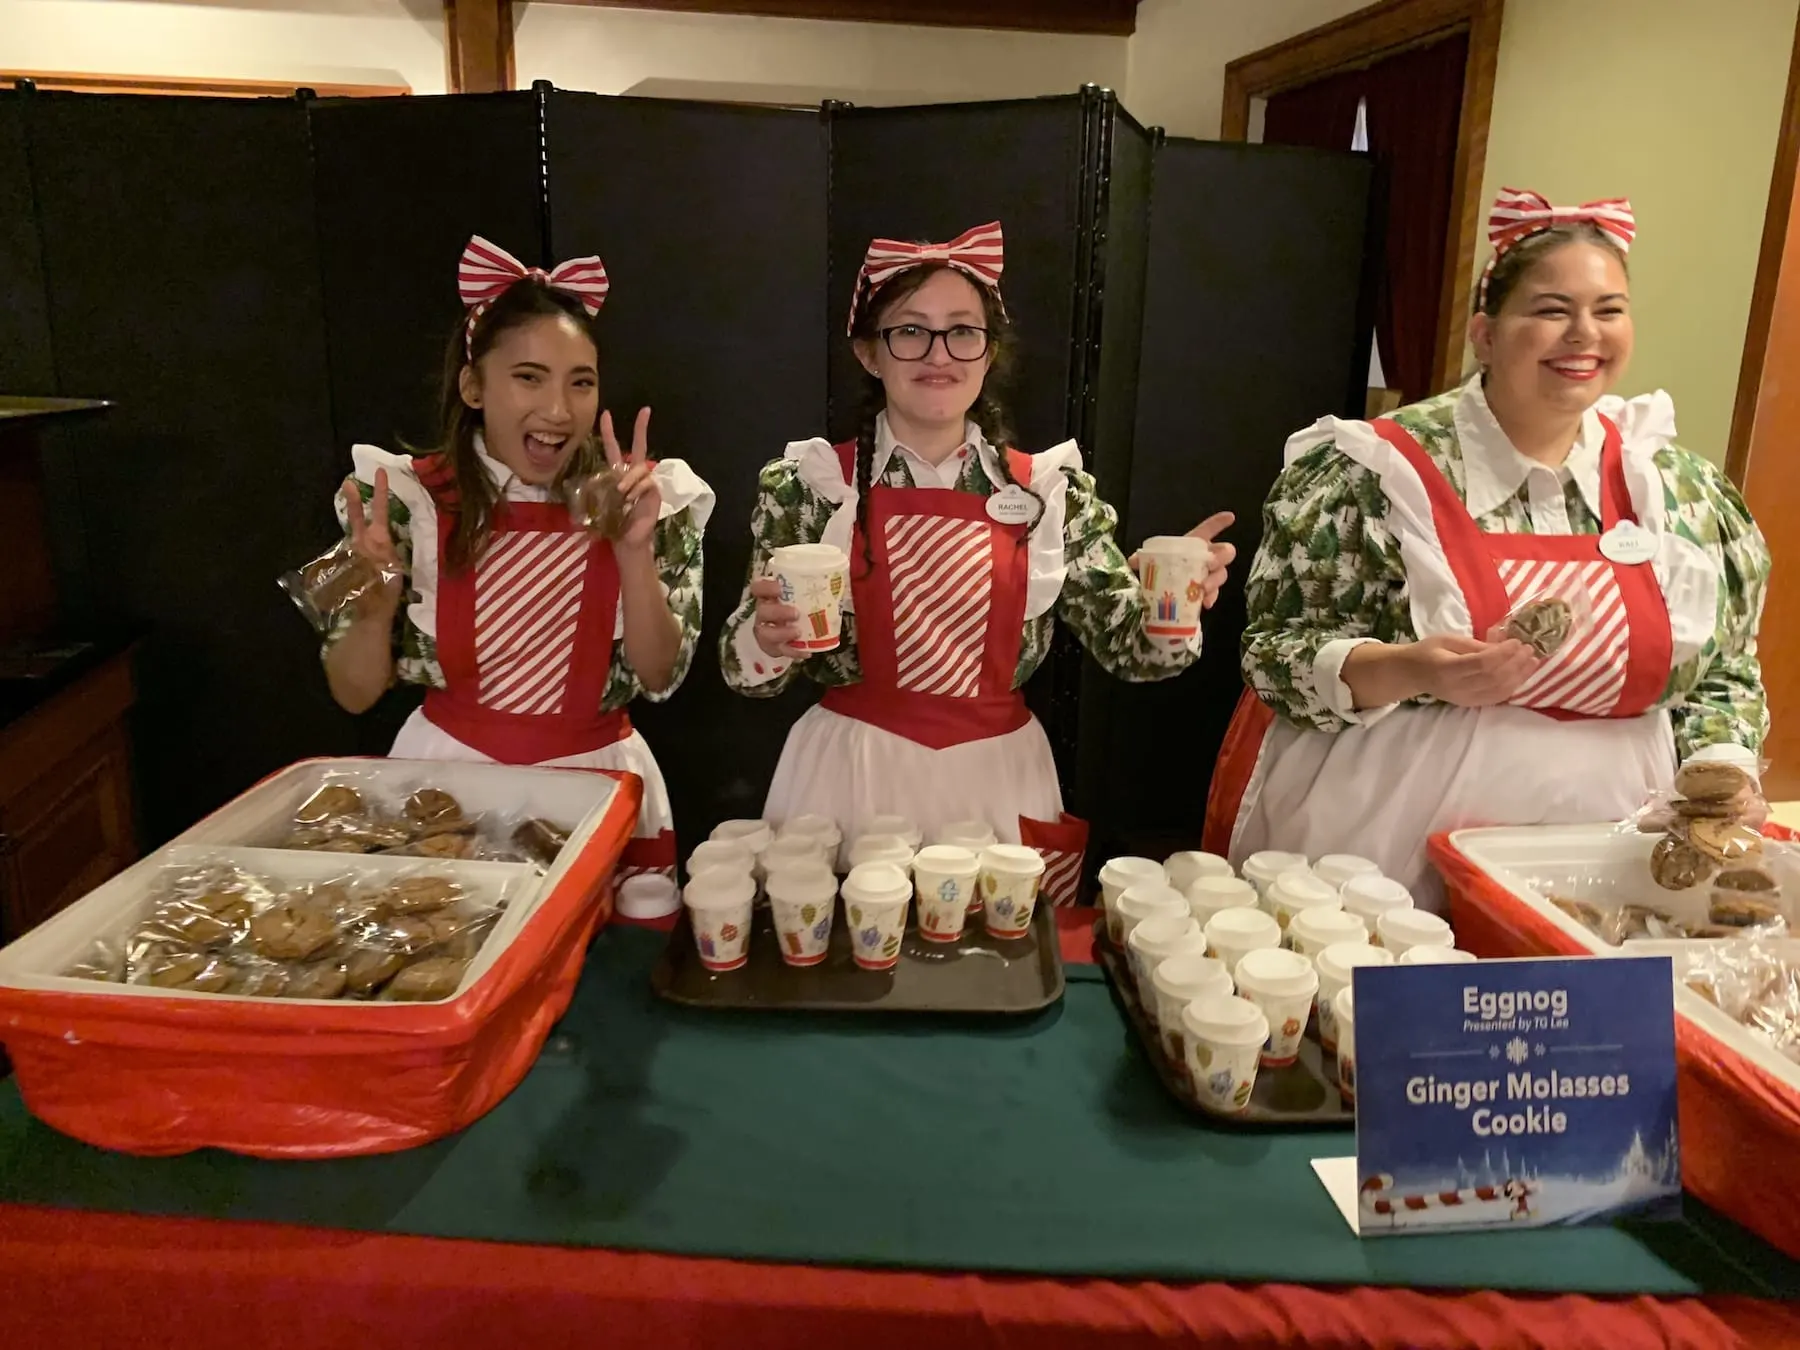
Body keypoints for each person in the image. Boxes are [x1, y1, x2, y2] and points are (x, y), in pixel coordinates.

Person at [1213, 189, 1770, 907]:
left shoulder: (1676, 489)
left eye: (1609, 310)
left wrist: (1721, 771)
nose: (1583, 334)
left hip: (1605, 858)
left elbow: (1725, 672)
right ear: (1485, 333)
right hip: (1386, 845)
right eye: (1550, 310)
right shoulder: (1373, 473)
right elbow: (1276, 658)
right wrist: (1412, 669)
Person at [718, 221, 1233, 898]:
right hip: (849, 776)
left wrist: (1179, 602)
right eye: (910, 331)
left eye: (963, 330)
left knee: (995, 974)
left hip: (997, 780)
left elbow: (1134, 652)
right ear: (869, 353)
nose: (940, 352)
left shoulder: (1050, 490)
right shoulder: (810, 488)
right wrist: (765, 638)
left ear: (990, 353)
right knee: (842, 971)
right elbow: (745, 675)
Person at [321, 235, 714, 878]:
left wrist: (634, 552)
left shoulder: (651, 499)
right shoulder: (395, 500)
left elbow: (660, 676)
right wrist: (372, 610)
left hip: (598, 787)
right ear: (473, 386)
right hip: (449, 792)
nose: (558, 410)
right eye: (528, 377)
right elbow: (353, 695)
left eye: (580, 383)